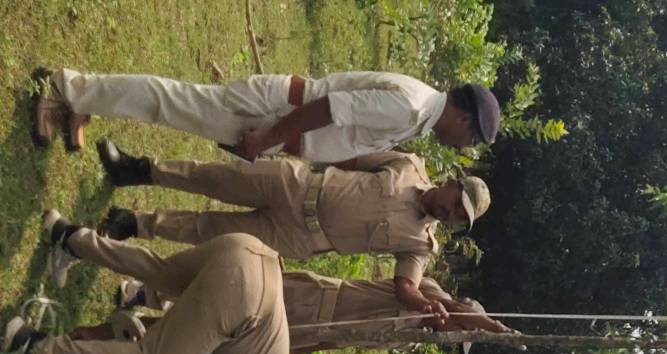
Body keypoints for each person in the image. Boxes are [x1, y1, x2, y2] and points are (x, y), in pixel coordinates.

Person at [94, 143, 490, 322]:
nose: (451, 213)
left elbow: (405, 288)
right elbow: (351, 158)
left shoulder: (420, 245)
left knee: (210, 231)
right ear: (453, 183)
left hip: (298, 236)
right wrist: (297, 152)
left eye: (459, 217)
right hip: (297, 184)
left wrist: (424, 304)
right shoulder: (408, 165)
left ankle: (133, 224)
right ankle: (137, 169)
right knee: (215, 177)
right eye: (457, 203)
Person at [3, 217, 287, 354]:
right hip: (244, 293)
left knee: (160, 273)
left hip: (249, 252)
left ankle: (68, 237)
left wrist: (101, 332)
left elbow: (175, 330)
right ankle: (31, 348)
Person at [31, 67, 499, 158]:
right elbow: (329, 108)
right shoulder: (410, 106)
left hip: (279, 120)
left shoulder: (420, 113)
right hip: (273, 112)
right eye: (472, 139)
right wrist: (267, 139)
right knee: (169, 102)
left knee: (172, 106)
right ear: (464, 119)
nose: (465, 147)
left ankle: (83, 103)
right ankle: (64, 90)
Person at [110, 272, 517, 353]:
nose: (450, 339)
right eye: (461, 333)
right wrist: (497, 329)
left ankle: (146, 327)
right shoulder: (430, 294)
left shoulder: (411, 337)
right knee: (232, 290)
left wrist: (292, 350)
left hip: (308, 329)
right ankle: (144, 290)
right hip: (312, 299)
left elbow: (337, 343)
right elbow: (448, 307)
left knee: (229, 329)